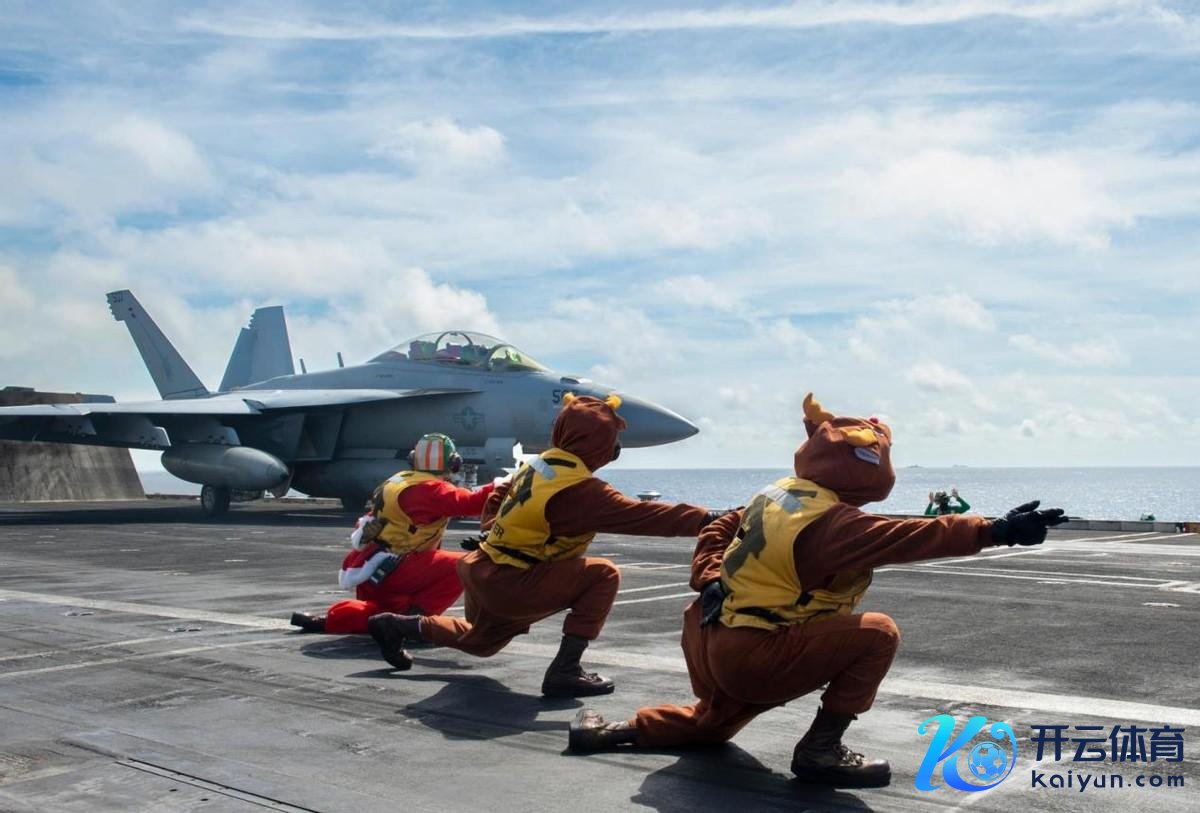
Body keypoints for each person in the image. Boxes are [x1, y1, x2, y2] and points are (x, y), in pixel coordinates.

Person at [567, 394, 1066, 788]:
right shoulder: (833, 524)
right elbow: (910, 536)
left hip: (708, 636)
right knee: (877, 634)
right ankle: (821, 751)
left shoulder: (777, 494)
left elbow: (715, 529)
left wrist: (711, 578)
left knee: (711, 725)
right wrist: (995, 531)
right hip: (756, 656)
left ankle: (614, 731)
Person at [366, 393, 731, 696]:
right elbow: (645, 516)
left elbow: (497, 496)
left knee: (481, 642)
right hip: (512, 582)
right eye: (610, 443)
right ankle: (565, 670)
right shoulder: (581, 491)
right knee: (603, 575)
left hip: (482, 569)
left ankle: (397, 626)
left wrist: (494, 532)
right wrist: (712, 518)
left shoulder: (539, 466)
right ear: (599, 445)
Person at [289, 433, 495, 635]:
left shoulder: (397, 481)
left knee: (382, 613)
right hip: (397, 572)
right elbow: (472, 503)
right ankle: (414, 625)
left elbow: (368, 523)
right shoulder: (430, 489)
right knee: (465, 565)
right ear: (453, 463)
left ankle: (328, 621)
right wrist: (507, 484)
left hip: (372, 573)